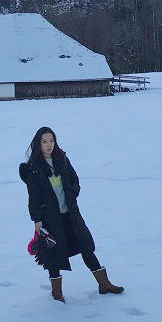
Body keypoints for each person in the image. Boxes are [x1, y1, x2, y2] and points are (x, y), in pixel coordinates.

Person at [18, 126, 123, 303]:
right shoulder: (33, 168)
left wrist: (73, 192)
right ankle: (57, 294)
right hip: (51, 219)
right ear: (38, 144)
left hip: (71, 215)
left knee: (86, 246)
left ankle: (104, 284)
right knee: (54, 255)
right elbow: (33, 198)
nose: (49, 145)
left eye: (51, 140)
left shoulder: (62, 159)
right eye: (44, 141)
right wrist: (37, 219)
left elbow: (74, 179)